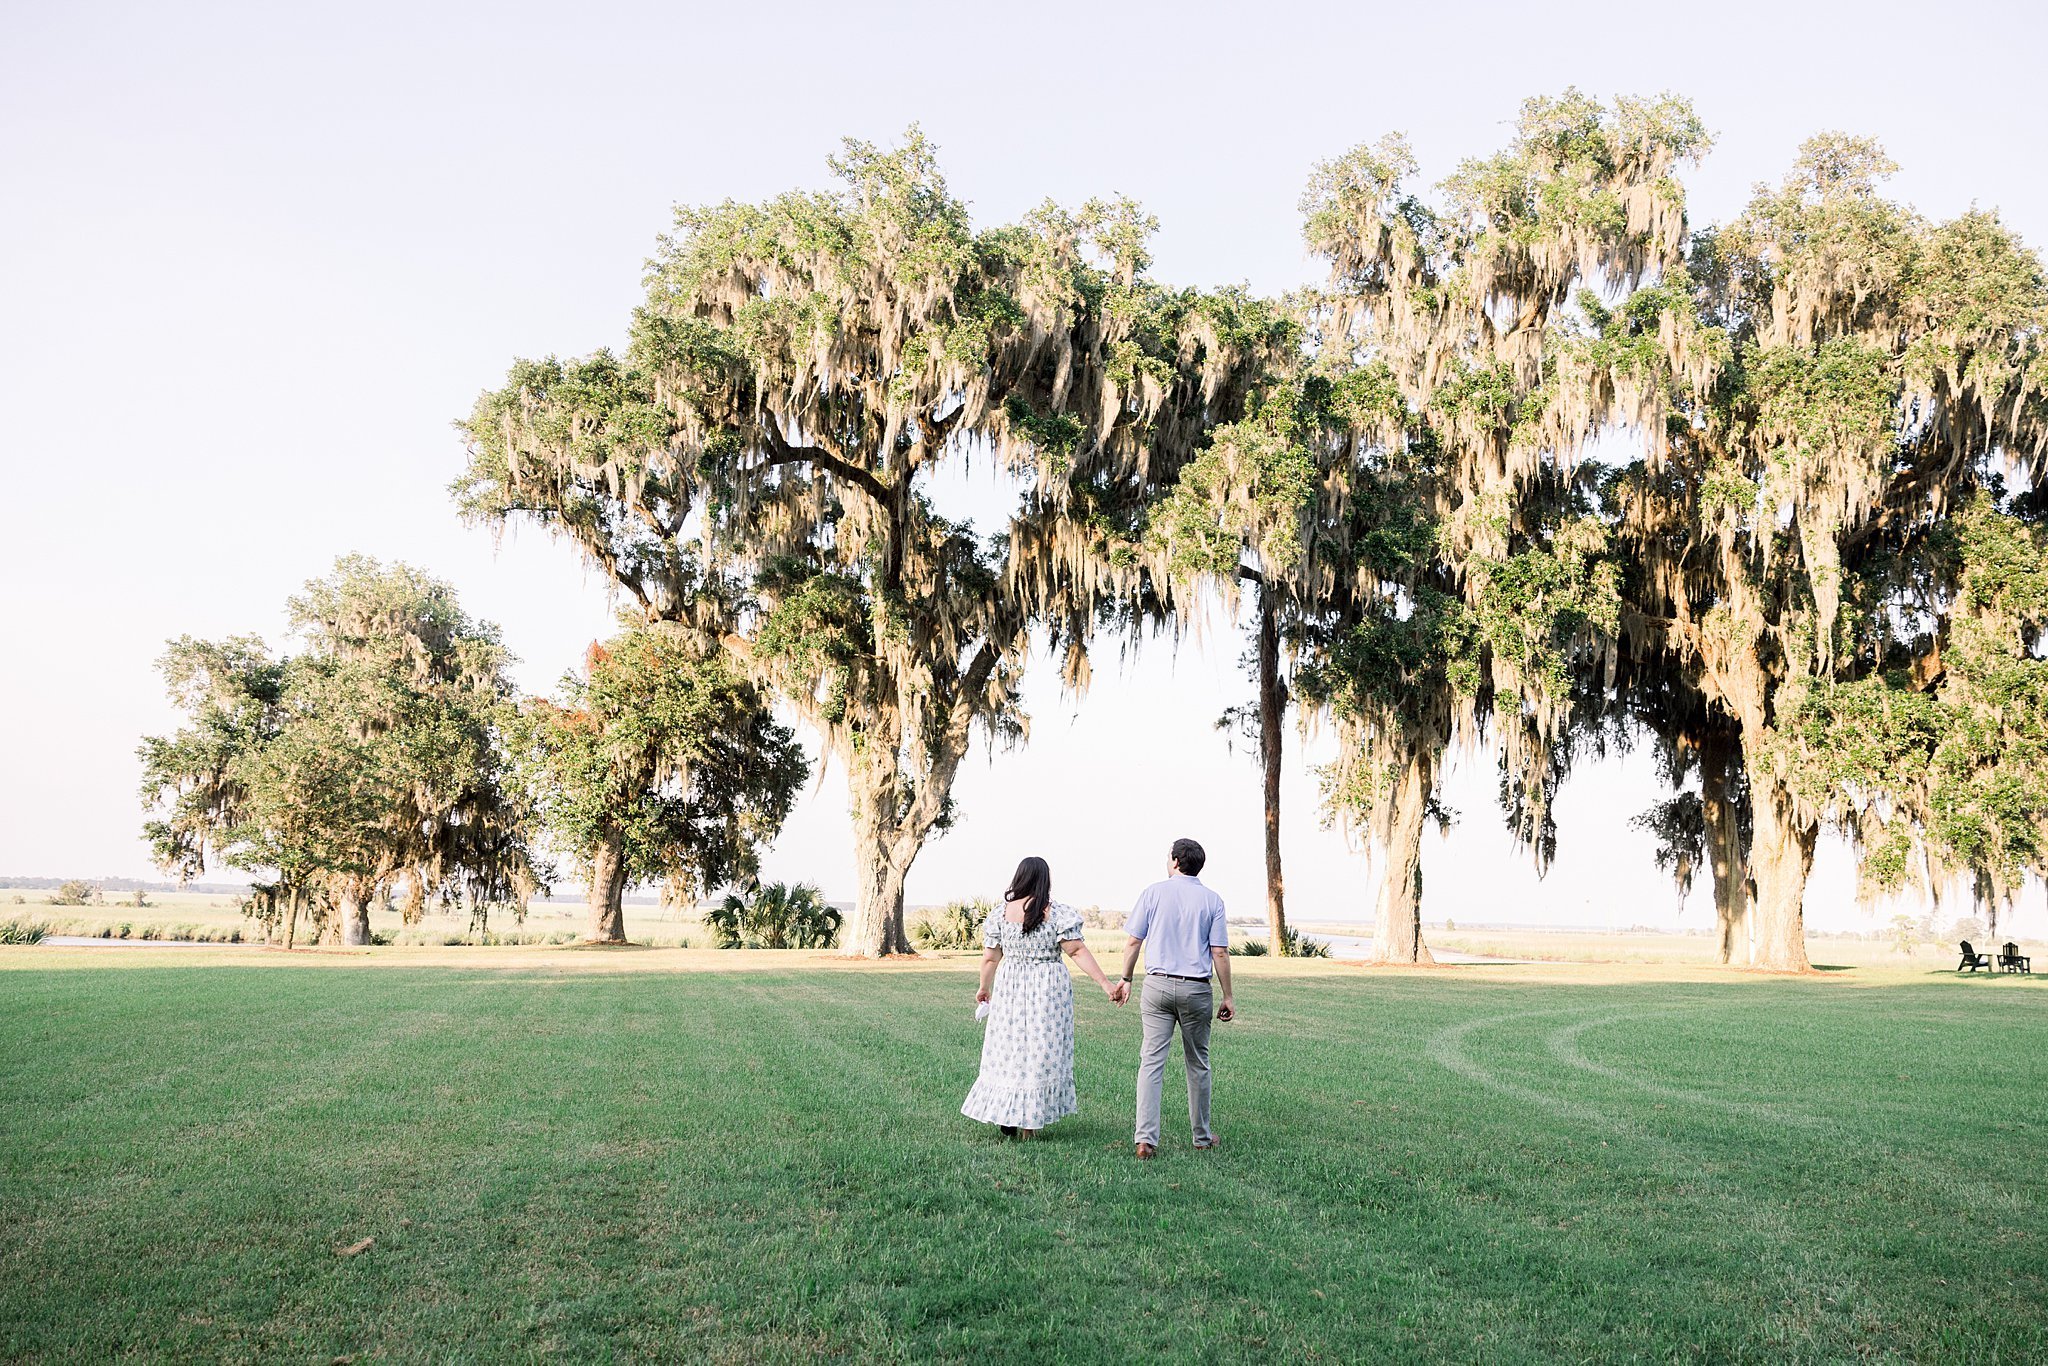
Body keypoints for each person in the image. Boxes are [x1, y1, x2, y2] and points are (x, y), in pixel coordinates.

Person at [962, 855, 1124, 1138]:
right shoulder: (1056, 913)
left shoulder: (1000, 913)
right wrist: (1105, 984)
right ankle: (1028, 1125)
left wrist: (984, 988)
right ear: (1045, 880)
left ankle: (1008, 1111)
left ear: (1019, 877)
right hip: (1046, 989)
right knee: (1039, 1051)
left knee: (1010, 1051)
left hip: (1010, 986)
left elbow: (990, 958)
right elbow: (1076, 951)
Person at [1117, 837, 1233, 1159]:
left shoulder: (1152, 893)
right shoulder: (1213, 900)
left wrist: (1126, 979)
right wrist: (1228, 996)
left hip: (1156, 987)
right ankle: (1201, 1137)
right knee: (1198, 1063)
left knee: (1151, 1062)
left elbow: (1132, 943)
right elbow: (1219, 952)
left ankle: (1145, 1140)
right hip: (1196, 989)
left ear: (1175, 861)